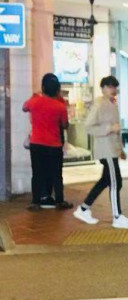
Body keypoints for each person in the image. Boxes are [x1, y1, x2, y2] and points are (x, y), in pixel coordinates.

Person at [73, 76, 128, 229]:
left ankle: (84, 209)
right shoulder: (99, 104)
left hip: (112, 149)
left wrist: (120, 149)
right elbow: (89, 126)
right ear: (103, 88)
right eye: (109, 87)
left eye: (114, 87)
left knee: (106, 180)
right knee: (115, 182)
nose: (113, 90)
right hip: (105, 149)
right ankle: (117, 216)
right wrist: (109, 128)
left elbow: (116, 129)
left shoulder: (112, 103)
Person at [22, 73, 73, 210]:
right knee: (57, 174)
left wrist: (37, 96)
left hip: (36, 143)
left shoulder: (34, 101)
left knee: (37, 173)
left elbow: (24, 108)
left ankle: (35, 202)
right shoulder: (60, 106)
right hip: (54, 144)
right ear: (57, 90)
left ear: (43, 88)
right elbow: (65, 125)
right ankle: (60, 201)